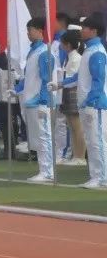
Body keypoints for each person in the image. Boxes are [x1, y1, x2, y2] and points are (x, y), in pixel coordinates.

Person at [14, 18, 55, 182]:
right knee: (37, 139)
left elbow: (47, 80)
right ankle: (42, 169)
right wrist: (16, 89)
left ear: (39, 31)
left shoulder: (44, 52)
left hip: (39, 102)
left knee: (44, 136)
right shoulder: (32, 52)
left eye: (30, 30)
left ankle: (48, 171)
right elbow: (28, 78)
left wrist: (43, 101)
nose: (28, 33)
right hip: (30, 101)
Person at [76, 14, 107, 189]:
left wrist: (91, 102)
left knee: (98, 141)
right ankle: (96, 175)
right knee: (91, 141)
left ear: (93, 31)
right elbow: (80, 76)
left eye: (84, 28)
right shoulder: (88, 50)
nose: (82, 31)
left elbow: (98, 80)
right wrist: (60, 84)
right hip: (87, 104)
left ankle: (102, 177)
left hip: (95, 105)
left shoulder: (97, 52)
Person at [50, 30, 86, 166]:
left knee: (77, 126)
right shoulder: (70, 57)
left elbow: (74, 79)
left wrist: (59, 84)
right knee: (71, 126)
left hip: (73, 92)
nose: (60, 46)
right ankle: (75, 155)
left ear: (68, 44)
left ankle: (80, 156)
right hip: (66, 92)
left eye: (62, 43)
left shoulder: (76, 58)